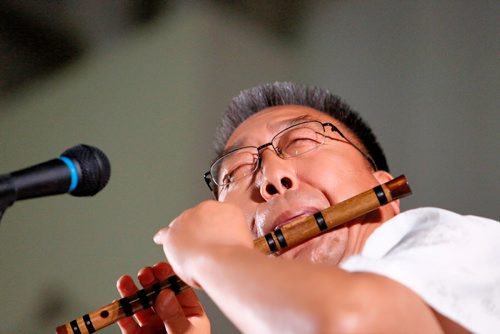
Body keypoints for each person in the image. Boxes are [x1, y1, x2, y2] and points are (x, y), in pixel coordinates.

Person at [116, 82, 500, 333]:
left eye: (300, 141)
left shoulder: (454, 241)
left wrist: (214, 256)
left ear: (384, 190)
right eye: (236, 172)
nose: (271, 177)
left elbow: (349, 323)